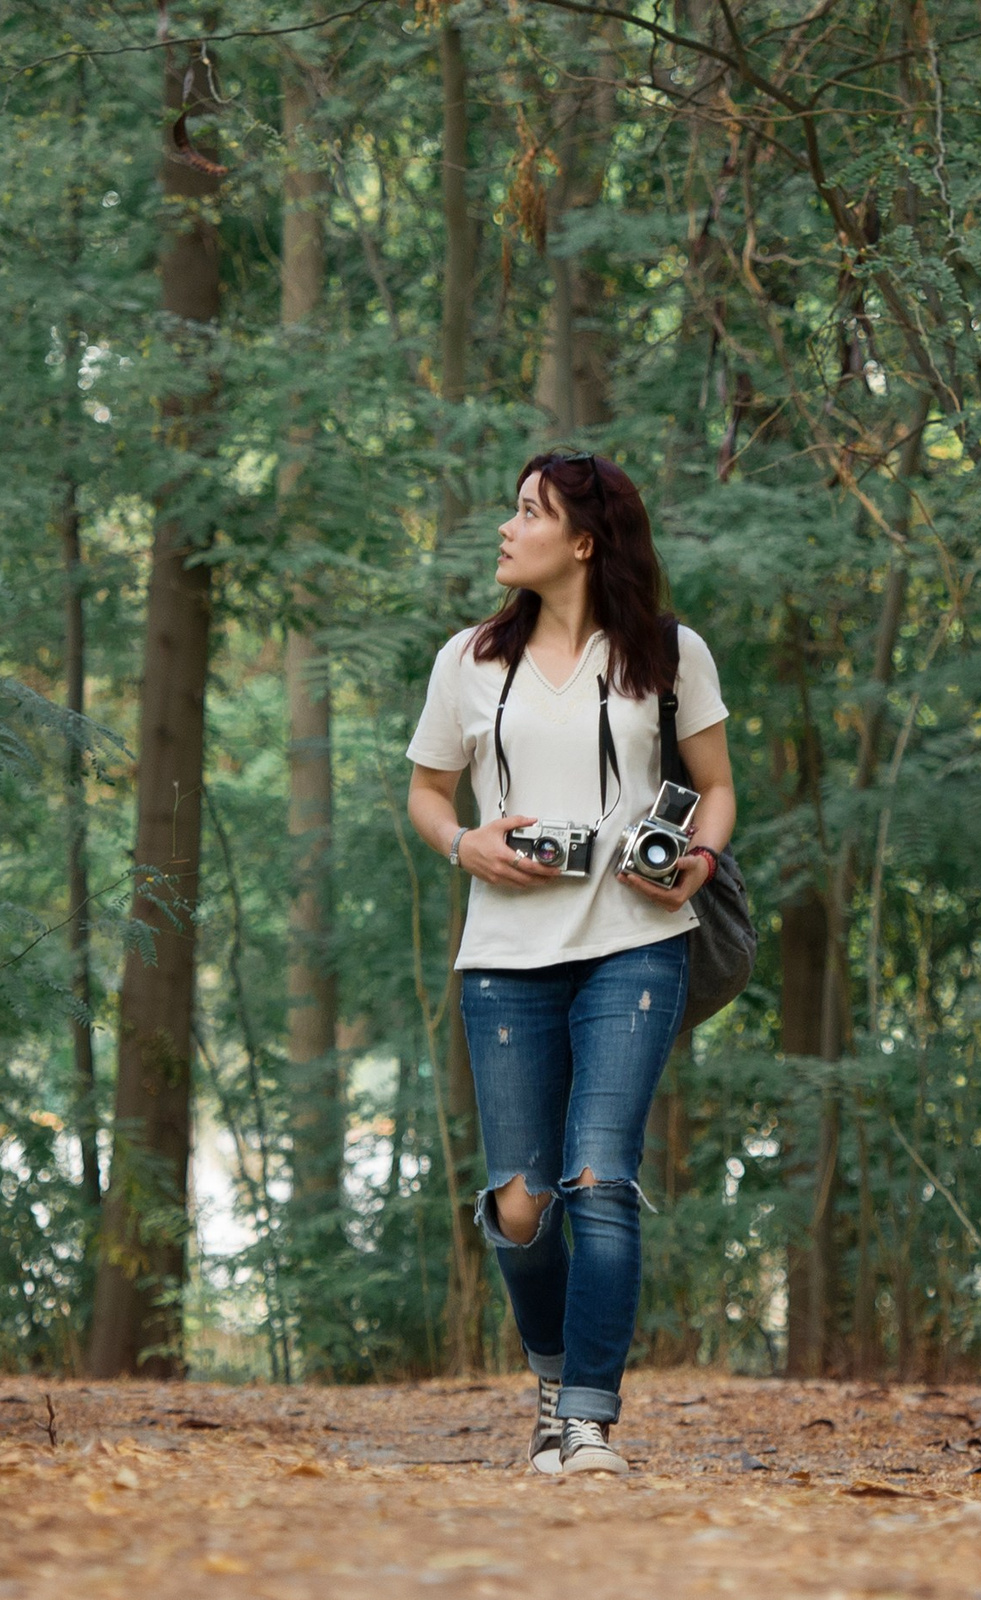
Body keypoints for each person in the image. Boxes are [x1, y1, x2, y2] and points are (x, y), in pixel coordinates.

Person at [405, 451, 737, 1475]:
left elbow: (717, 787)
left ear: (583, 541)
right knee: (521, 1197)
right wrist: (467, 844)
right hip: (503, 951)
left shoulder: (670, 654)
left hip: (635, 943)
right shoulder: (468, 659)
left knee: (599, 1176)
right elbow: (425, 793)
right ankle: (550, 1376)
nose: (505, 529)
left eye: (528, 513)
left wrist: (699, 858)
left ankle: (587, 1420)